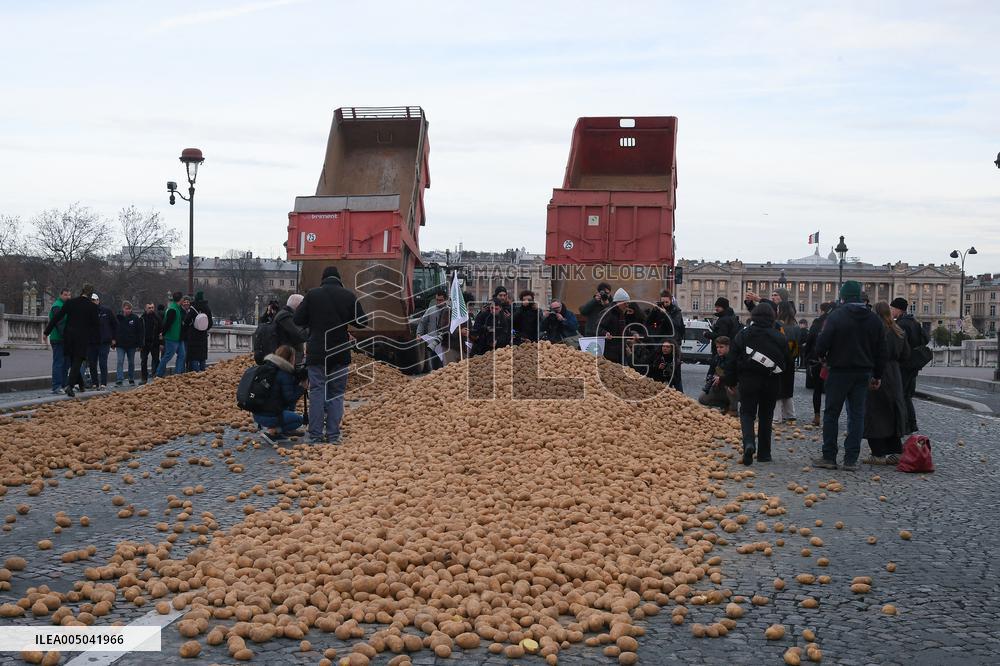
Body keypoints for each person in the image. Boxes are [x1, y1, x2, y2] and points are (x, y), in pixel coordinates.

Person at [813, 281, 886, 471]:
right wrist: (877, 375)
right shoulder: (874, 319)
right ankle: (851, 459)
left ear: (843, 297)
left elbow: (822, 343)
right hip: (863, 372)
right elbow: (881, 351)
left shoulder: (836, 316)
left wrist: (823, 358)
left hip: (839, 371)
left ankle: (829, 456)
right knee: (857, 415)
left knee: (831, 414)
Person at [294, 265, 368, 444]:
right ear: (339, 280)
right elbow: (363, 322)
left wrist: (313, 321)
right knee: (336, 394)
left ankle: (315, 435)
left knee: (317, 392)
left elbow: (297, 319)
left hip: (317, 353)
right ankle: (333, 435)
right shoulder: (348, 296)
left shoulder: (312, 295)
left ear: (323, 279)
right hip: (340, 352)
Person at [724, 303, 788, 466]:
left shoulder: (743, 334)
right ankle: (764, 454)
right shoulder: (779, 336)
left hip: (748, 380)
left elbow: (731, 359)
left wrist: (730, 381)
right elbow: (787, 362)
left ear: (753, 316)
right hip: (771, 381)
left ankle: (749, 443)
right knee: (766, 416)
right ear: (772, 318)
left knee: (747, 413)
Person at [864, 302, 910, 465]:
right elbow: (906, 355)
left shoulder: (875, 331)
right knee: (892, 411)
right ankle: (896, 451)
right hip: (894, 373)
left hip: (878, 371)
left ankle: (878, 453)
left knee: (874, 412)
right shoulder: (899, 331)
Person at [44, 284, 99, 397]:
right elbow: (96, 326)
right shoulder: (92, 307)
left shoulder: (71, 302)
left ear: (82, 291)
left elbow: (56, 318)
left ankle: (81, 385)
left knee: (73, 361)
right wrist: (96, 340)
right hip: (82, 337)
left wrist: (46, 332)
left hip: (68, 336)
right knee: (77, 361)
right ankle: (70, 385)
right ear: (90, 294)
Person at [891, 297, 930, 434]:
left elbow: (899, 346)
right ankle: (911, 424)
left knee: (900, 395)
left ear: (898, 309)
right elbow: (926, 339)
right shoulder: (914, 322)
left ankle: (904, 425)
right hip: (914, 364)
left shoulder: (900, 324)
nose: (891, 311)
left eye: (892, 308)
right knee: (907, 396)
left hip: (904, 364)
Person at [253, 345, 306, 445]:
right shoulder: (284, 373)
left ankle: (278, 431)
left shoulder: (268, 367)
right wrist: (302, 388)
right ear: (290, 358)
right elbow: (290, 398)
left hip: (257, 413)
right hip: (269, 415)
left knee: (285, 408)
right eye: (294, 357)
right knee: (299, 420)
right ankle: (273, 432)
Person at [598, 288, 645, 367]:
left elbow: (623, 330)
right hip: (609, 350)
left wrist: (632, 335)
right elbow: (598, 328)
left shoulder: (621, 313)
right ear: (618, 302)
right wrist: (605, 333)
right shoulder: (608, 313)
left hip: (620, 350)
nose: (627, 306)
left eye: (628, 303)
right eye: (625, 303)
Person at [803, 302, 832, 425]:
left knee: (817, 389)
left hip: (817, 361)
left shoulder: (816, 323)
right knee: (831, 391)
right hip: (832, 362)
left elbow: (809, 342)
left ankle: (817, 416)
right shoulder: (836, 322)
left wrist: (806, 358)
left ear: (821, 310)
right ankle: (830, 417)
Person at [774, 301, 800, 423]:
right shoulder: (796, 325)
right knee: (788, 387)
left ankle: (777, 416)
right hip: (791, 359)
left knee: (777, 387)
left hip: (779, 359)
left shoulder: (777, 324)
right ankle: (790, 414)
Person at [699, 335, 738, 415]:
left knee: (730, 385)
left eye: (721, 347)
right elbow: (710, 372)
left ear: (728, 346)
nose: (719, 349)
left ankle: (733, 409)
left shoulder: (734, 358)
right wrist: (710, 379)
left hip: (734, 386)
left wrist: (721, 378)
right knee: (702, 398)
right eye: (717, 347)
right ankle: (725, 406)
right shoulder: (716, 358)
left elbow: (734, 376)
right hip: (720, 385)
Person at [416, 290, 449, 370]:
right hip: (432, 342)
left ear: (445, 300)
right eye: (437, 300)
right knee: (434, 365)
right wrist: (419, 333)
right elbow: (422, 322)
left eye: (440, 300)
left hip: (445, 343)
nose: (438, 302)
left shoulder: (449, 311)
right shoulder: (430, 310)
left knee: (445, 366)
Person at [156, 292, 188, 378]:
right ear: (181, 299)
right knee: (168, 356)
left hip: (178, 337)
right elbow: (167, 323)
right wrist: (163, 333)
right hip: (172, 337)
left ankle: (177, 374)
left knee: (182, 355)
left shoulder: (175, 308)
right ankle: (159, 374)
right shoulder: (173, 309)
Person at [47, 288, 71, 394]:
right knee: (59, 363)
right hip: (58, 338)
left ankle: (64, 384)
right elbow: (59, 323)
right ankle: (56, 386)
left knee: (66, 363)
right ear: (60, 295)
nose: (67, 297)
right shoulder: (57, 306)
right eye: (65, 295)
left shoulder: (65, 305)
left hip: (65, 338)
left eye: (69, 295)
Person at [88, 293, 115, 389]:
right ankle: (95, 383)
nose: (92, 302)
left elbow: (115, 324)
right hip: (91, 342)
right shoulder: (86, 313)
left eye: (94, 300)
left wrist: (113, 338)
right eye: (91, 300)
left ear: (98, 300)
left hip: (104, 342)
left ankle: (103, 383)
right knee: (92, 364)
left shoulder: (106, 311)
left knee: (103, 363)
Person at [275, 293, 309, 365]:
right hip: (287, 359)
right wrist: (312, 326)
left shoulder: (287, 315)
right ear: (298, 306)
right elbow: (301, 335)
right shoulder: (285, 317)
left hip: (289, 358)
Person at [186, 291, 213, 372]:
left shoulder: (193, 308)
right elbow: (210, 323)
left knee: (194, 355)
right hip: (203, 335)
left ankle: (196, 372)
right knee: (202, 356)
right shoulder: (207, 308)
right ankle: (203, 371)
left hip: (193, 335)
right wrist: (204, 328)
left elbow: (187, 321)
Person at [114, 302, 140, 385]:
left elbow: (138, 331)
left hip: (131, 344)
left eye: (129, 309)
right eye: (126, 309)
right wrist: (113, 341)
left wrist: (138, 344)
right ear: (123, 309)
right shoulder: (118, 318)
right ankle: (119, 379)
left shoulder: (135, 318)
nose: (128, 310)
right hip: (120, 344)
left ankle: (131, 378)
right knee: (120, 361)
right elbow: (114, 330)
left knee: (131, 362)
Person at [138, 303, 162, 385]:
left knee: (156, 360)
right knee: (143, 361)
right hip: (144, 343)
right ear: (145, 309)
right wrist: (139, 344)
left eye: (152, 307)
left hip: (155, 342)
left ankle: (156, 376)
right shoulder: (142, 318)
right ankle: (144, 378)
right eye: (149, 308)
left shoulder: (157, 318)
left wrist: (161, 343)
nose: (151, 309)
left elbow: (161, 332)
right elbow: (139, 332)